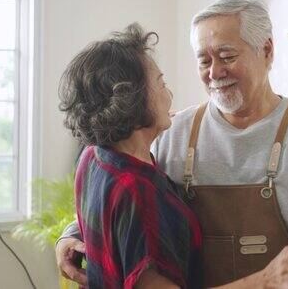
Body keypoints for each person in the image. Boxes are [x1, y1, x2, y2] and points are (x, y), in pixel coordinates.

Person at [57, 0, 288, 288]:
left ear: (267, 50)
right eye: (203, 61)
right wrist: (72, 235)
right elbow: (128, 201)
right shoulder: (173, 132)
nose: (215, 72)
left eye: (227, 56)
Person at [58, 24, 202, 288]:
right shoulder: (139, 192)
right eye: (160, 83)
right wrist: (265, 280)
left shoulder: (92, 157)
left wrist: (66, 236)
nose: (168, 95)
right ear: (131, 100)